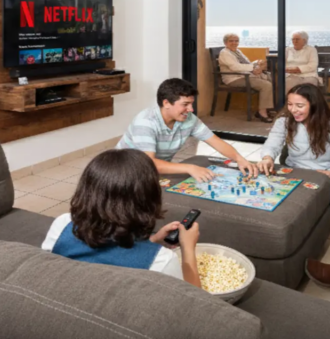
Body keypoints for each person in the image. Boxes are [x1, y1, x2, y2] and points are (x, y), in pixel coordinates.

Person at [42, 150, 202, 288]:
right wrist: (188, 248)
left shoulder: (61, 225)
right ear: (150, 198)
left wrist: (152, 241)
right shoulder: (161, 262)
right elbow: (197, 304)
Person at [117, 78, 260, 182]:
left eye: (191, 104)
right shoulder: (145, 122)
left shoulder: (189, 119)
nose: (191, 110)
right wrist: (190, 167)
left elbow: (215, 141)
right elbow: (148, 163)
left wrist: (239, 158)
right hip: (122, 174)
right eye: (185, 104)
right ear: (166, 103)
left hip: (155, 173)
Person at [257, 83, 330, 207]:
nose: (293, 110)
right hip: (296, 169)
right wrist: (267, 158)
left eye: (300, 105)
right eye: (290, 104)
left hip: (327, 172)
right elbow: (272, 144)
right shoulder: (284, 122)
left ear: (314, 106)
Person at [218, 33, 275, 122]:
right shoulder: (224, 53)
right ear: (225, 43)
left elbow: (247, 64)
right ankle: (262, 112)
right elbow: (235, 67)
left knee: (273, 79)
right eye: (231, 41)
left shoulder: (237, 51)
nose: (234, 43)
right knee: (266, 85)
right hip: (234, 79)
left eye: (236, 41)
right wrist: (253, 68)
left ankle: (267, 108)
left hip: (245, 75)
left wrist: (258, 64)